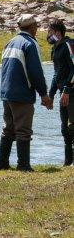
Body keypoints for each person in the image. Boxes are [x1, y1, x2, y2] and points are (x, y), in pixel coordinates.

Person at [0, 14, 52, 172]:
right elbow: (35, 72)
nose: (37, 28)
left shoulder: (10, 42)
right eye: (36, 25)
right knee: (23, 130)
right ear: (31, 27)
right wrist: (43, 94)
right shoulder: (30, 43)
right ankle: (23, 165)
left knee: (8, 128)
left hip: (7, 92)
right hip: (22, 93)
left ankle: (1, 163)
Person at [47, 19, 74, 166]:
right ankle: (68, 162)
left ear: (58, 33)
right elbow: (57, 74)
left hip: (71, 92)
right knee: (65, 129)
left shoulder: (68, 45)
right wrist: (50, 94)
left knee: (72, 126)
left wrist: (67, 90)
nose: (48, 34)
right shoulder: (55, 49)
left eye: (50, 31)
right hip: (63, 93)